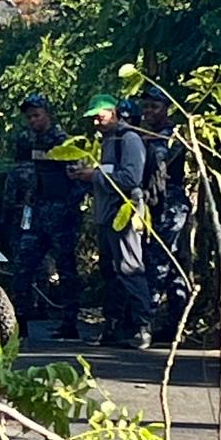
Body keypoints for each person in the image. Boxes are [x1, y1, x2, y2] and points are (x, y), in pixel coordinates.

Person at [70, 94, 152, 350]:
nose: (96, 122)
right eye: (94, 118)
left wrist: (93, 176)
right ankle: (114, 328)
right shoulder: (106, 142)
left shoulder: (129, 139)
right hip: (105, 216)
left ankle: (143, 327)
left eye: (100, 116)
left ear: (113, 113)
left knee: (130, 268)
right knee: (110, 272)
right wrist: (83, 175)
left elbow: (131, 178)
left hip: (124, 213)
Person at [9, 93, 83, 341]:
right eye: (29, 117)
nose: (33, 120)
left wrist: (69, 207)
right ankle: (19, 323)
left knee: (66, 269)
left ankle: (69, 324)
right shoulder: (31, 142)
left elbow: (79, 178)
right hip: (38, 214)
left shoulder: (63, 142)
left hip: (62, 215)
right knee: (22, 265)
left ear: (47, 114)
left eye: (36, 115)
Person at [140, 84, 191, 344]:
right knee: (170, 267)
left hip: (172, 203)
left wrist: (149, 141)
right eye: (146, 106)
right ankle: (174, 327)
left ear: (166, 109)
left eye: (155, 106)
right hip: (155, 201)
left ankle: (146, 324)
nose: (149, 111)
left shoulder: (174, 136)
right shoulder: (144, 134)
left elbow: (165, 159)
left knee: (161, 262)